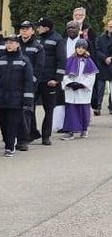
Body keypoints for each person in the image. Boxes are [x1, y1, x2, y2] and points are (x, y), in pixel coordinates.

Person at [0, 33, 36, 157]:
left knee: (12, 123)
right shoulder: (1, 60)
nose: (9, 45)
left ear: (18, 44)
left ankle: (10, 146)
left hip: (16, 99)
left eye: (12, 43)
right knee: (2, 122)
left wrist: (27, 100)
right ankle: (7, 141)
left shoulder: (24, 61)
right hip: (2, 99)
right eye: (7, 43)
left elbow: (28, 81)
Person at [36, 17, 66, 145]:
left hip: (50, 81)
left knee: (49, 110)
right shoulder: (37, 39)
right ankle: (32, 133)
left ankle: (46, 136)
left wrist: (57, 79)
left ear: (46, 28)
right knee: (28, 108)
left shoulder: (57, 39)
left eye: (39, 26)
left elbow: (62, 60)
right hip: (37, 79)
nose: (37, 29)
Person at [61, 39, 99, 139]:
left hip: (83, 91)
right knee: (71, 110)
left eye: (82, 48)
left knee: (83, 110)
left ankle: (84, 129)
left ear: (86, 49)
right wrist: (70, 83)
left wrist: (82, 84)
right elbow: (65, 74)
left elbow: (91, 76)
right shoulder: (70, 60)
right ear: (76, 48)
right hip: (71, 90)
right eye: (78, 47)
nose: (80, 50)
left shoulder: (89, 61)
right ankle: (70, 131)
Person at [17, 20, 44, 148]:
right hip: (15, 83)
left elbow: (39, 67)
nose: (24, 31)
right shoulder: (16, 44)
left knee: (26, 110)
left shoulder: (37, 47)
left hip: (30, 84)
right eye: (22, 28)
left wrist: (30, 82)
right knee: (21, 110)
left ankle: (25, 138)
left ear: (32, 31)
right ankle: (32, 132)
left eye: (27, 29)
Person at [94, 18, 112, 114]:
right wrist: (105, 58)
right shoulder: (100, 38)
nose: (111, 27)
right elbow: (97, 50)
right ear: (107, 26)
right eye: (110, 25)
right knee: (100, 88)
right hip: (102, 65)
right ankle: (98, 107)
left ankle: (111, 107)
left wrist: (110, 58)